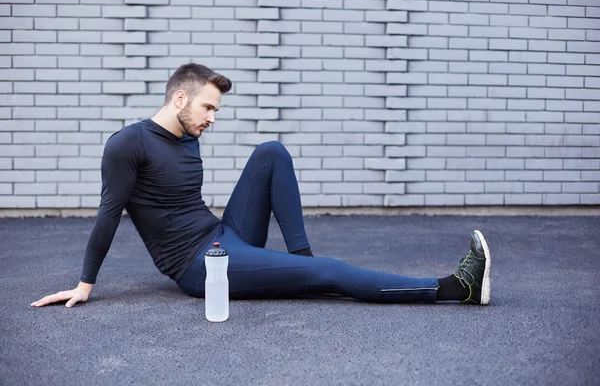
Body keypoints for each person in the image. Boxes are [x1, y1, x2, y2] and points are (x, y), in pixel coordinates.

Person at [31, 63, 491, 309]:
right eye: (208, 107)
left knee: (271, 151)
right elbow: (108, 215)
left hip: (221, 236)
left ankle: (300, 262)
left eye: (216, 110)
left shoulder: (188, 135)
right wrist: (85, 284)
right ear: (180, 98)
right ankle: (453, 289)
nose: (212, 118)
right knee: (328, 273)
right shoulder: (128, 144)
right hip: (197, 266)